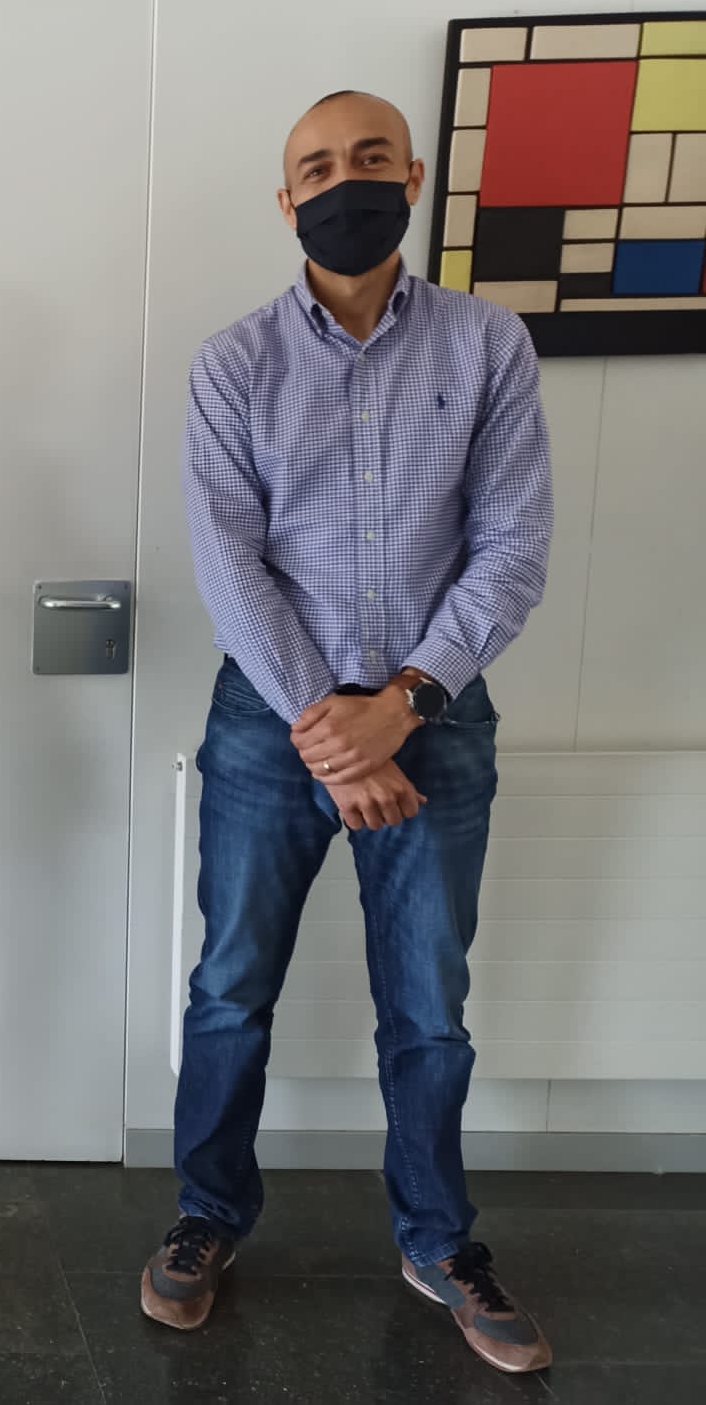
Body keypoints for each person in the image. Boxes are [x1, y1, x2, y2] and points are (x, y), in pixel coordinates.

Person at [143, 90, 556, 1373]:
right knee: (229, 989)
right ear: (286, 202)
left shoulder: (486, 346)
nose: (344, 182)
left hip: (436, 713)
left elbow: (512, 548)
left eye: (369, 159)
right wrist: (332, 730)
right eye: (316, 168)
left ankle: (437, 1243)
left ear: (411, 177)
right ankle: (206, 1217)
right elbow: (228, 566)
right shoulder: (231, 364)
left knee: (427, 1006)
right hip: (269, 722)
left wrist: (401, 706)